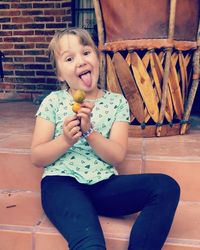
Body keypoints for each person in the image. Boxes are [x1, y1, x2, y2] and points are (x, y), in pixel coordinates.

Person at [31, 27, 180, 250]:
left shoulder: (117, 103)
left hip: (103, 185)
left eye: (86, 53)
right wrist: (65, 140)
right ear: (60, 74)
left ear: (98, 58)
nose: (80, 61)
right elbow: (37, 156)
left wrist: (90, 132)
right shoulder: (53, 102)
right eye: (69, 58)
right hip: (62, 184)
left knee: (166, 187)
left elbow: (116, 155)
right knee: (90, 243)